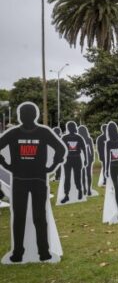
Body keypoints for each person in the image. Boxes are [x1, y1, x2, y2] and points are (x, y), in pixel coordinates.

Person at [0, 102, 66, 262]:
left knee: (39, 216)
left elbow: (61, 149)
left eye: (28, 114)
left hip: (38, 180)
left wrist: (52, 166)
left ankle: (43, 251)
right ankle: (18, 251)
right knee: (19, 217)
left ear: (33, 116)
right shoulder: (14, 133)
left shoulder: (43, 132)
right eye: (23, 114)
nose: (26, 117)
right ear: (20, 116)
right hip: (20, 180)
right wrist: (5, 164)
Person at [61, 121, 88, 203]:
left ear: (74, 128)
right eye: (69, 127)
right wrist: (61, 157)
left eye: (72, 127)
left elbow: (84, 148)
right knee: (67, 178)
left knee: (77, 177)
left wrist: (86, 159)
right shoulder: (64, 138)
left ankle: (80, 190)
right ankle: (66, 195)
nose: (71, 129)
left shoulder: (79, 138)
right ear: (68, 128)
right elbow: (61, 148)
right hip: (68, 160)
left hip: (77, 159)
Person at [78, 125, 95, 196]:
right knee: (88, 174)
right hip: (88, 158)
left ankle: (85, 189)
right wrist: (92, 158)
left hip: (81, 158)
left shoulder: (79, 139)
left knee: (83, 174)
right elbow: (92, 150)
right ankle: (88, 190)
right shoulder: (89, 139)